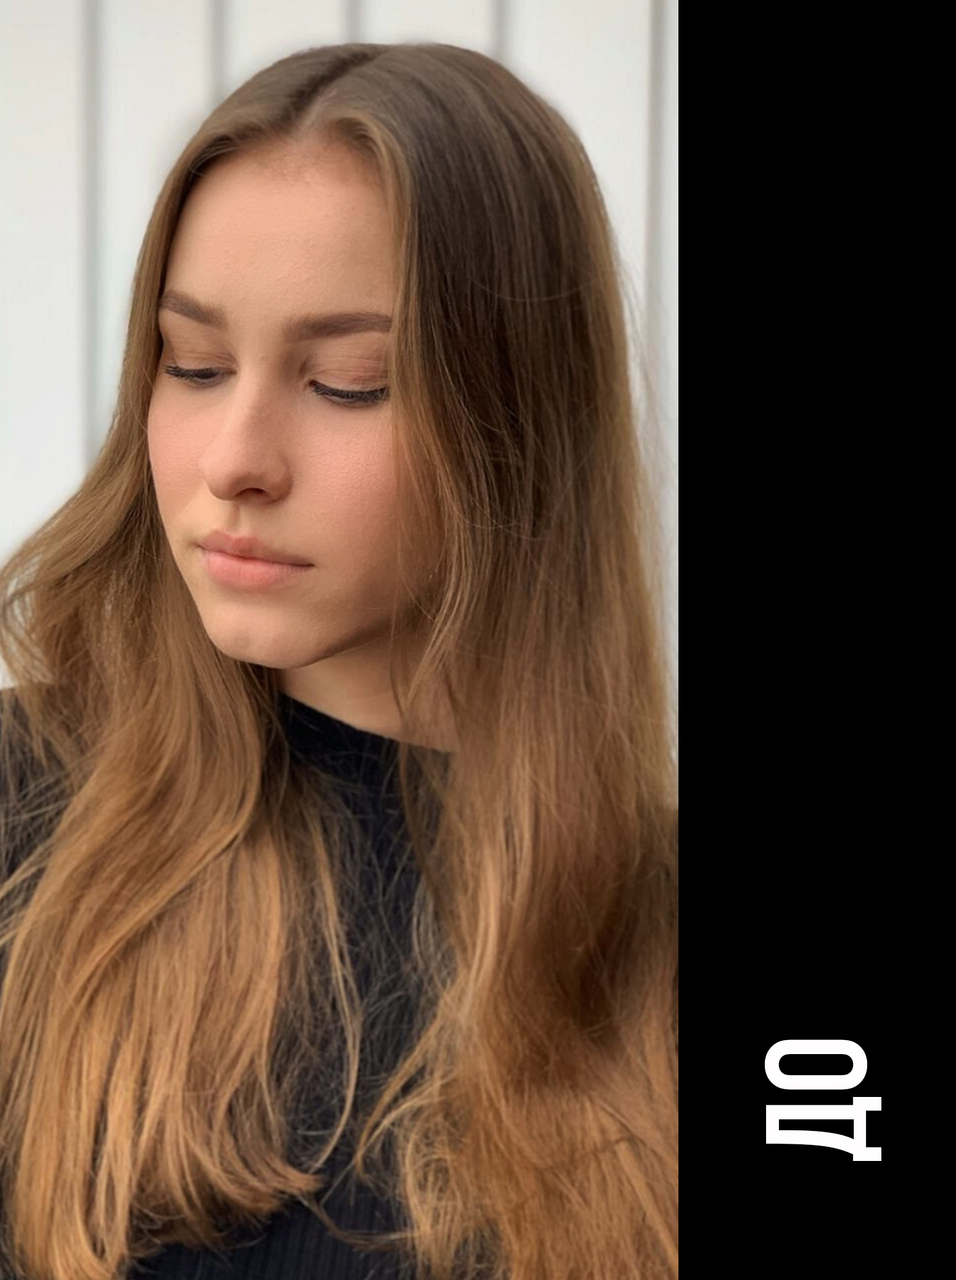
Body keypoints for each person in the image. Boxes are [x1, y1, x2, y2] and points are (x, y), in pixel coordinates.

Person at [0, 41, 678, 1280]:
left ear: (518, 420)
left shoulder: (655, 926)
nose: (235, 458)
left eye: (347, 382)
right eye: (193, 365)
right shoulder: (25, 810)